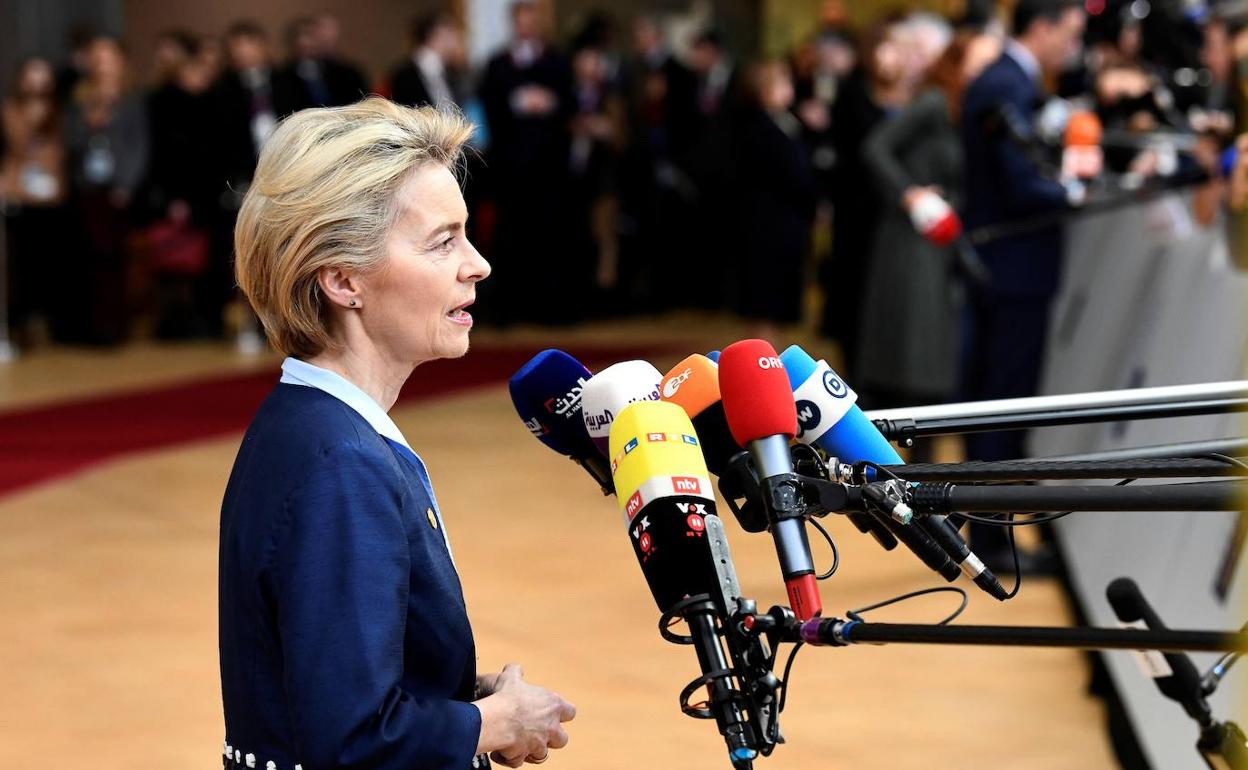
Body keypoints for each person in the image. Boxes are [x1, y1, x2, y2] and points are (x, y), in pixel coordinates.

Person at [222, 98, 576, 770]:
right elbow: (351, 741)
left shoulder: (302, 425)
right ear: (342, 279)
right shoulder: (341, 464)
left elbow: (322, 678)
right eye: (443, 242)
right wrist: (491, 722)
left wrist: (467, 704)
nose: (478, 265)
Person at [960, 0, 1086, 567]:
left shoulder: (1008, 81)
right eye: (1070, 33)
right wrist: (1074, 191)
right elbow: (1021, 185)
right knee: (1001, 409)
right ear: (1041, 27)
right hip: (1013, 269)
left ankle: (992, 533)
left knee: (999, 406)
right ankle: (993, 542)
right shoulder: (1004, 84)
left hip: (1010, 268)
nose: (1073, 47)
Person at [858, 32, 1001, 417]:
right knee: (912, 354)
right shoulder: (935, 103)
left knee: (929, 353)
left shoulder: (968, 109)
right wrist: (909, 194)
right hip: (911, 239)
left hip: (938, 240)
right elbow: (876, 146)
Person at [819, 19, 911, 373]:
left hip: (891, 216)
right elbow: (857, 150)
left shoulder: (912, 94)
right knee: (854, 300)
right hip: (857, 215)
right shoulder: (853, 92)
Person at [478, 1, 573, 324]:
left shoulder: (557, 60)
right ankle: (509, 310)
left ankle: (550, 309)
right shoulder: (497, 64)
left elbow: (570, 105)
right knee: (511, 237)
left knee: (550, 236)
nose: (527, 26)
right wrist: (516, 104)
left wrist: (550, 104)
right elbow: (489, 107)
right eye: (522, 20)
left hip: (550, 167)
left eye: (533, 20)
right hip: (511, 167)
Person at [63, 35, 148, 345]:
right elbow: (69, 142)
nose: (103, 63)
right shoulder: (79, 97)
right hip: (87, 186)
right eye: (97, 57)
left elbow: (139, 145)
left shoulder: (132, 97)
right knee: (90, 257)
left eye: (108, 56)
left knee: (116, 256)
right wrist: (89, 121)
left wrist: (126, 184)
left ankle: (115, 327)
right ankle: (92, 327)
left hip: (118, 187)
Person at [732, 60, 816, 345]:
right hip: (766, 227)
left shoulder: (787, 122)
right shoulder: (758, 128)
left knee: (777, 304)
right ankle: (764, 363)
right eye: (781, 84)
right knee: (764, 303)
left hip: (784, 225)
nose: (787, 90)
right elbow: (787, 172)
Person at [1, 56, 67, 346]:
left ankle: (45, 324)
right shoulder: (9, 111)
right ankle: (19, 324)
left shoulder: (59, 112)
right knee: (19, 265)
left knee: (49, 263)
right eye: (32, 75)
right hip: (19, 195)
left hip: (52, 197)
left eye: (44, 75)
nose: (38, 82)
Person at [390, 13, 466, 110]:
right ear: (435, 35)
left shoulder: (450, 72)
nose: (455, 38)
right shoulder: (404, 75)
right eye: (450, 31)